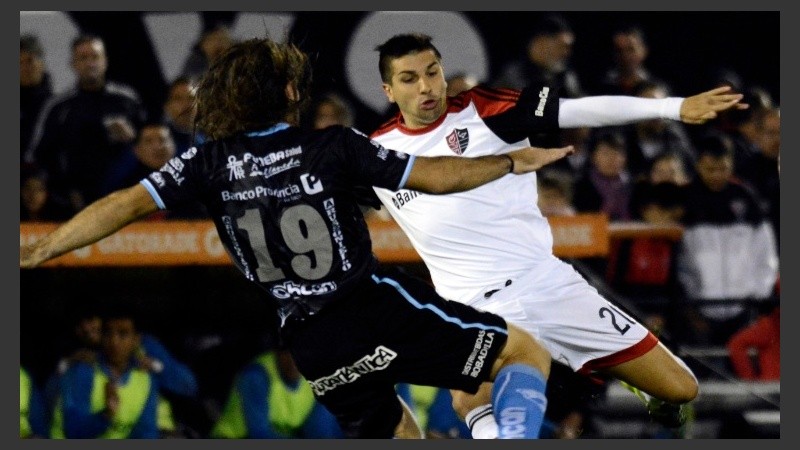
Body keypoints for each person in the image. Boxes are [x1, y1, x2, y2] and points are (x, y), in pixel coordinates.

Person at [20, 37, 579, 439]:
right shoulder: (331, 145)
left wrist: (45, 246)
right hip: (371, 307)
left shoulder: (206, 162)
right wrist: (511, 161)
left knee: (401, 435)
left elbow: (125, 203)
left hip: (311, 344)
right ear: (289, 91)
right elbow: (435, 176)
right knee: (524, 352)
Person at [368, 33, 748, 438]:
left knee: (683, 388)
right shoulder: (373, 153)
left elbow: (576, 110)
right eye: (409, 79)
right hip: (473, 306)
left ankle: (611, 371)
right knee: (471, 401)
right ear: (388, 91)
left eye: (432, 72)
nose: (426, 87)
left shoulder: (484, 110)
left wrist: (673, 107)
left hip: (548, 284)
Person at [23, 33, 148, 213]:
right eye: (83, 58)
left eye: (95, 57)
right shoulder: (58, 107)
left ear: (105, 61)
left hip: (125, 201)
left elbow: (150, 147)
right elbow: (38, 157)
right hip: (72, 204)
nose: (90, 63)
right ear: (73, 64)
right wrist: (64, 192)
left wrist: (133, 139)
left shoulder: (127, 100)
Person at [675, 132, 779, 346]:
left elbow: (766, 254)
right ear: (698, 165)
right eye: (710, 169)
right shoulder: (685, 201)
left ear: (731, 164)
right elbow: (680, 261)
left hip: (744, 307)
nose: (716, 175)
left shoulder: (747, 198)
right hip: (699, 309)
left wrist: (757, 295)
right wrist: (691, 302)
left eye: (722, 168)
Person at [49, 304, 162, 438]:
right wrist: (106, 415)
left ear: (136, 340)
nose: (114, 342)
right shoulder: (83, 371)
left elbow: (146, 434)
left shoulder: (145, 379)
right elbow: (74, 432)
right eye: (108, 333)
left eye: (123, 334)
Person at [210, 348, 344, 438]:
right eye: (289, 353)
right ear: (279, 352)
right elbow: (259, 435)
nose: (294, 361)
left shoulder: (315, 377)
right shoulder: (257, 376)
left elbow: (320, 432)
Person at [20, 34, 53, 161]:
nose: (24, 68)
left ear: (41, 63)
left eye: (29, 60)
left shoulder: (58, 108)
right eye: (19, 62)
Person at [726, 304, 779, 381]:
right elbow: (736, 345)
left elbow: (736, 344)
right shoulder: (771, 325)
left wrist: (749, 380)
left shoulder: (769, 325)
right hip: (772, 384)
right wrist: (749, 380)